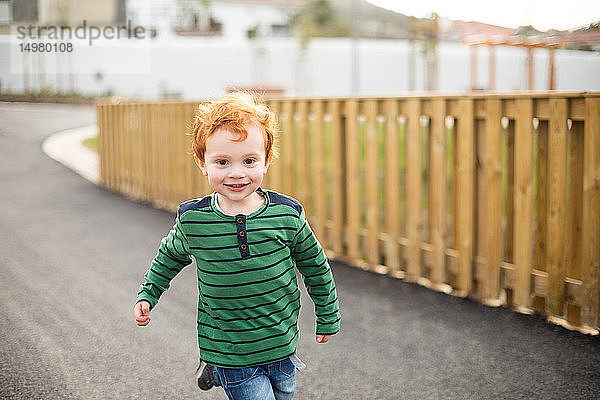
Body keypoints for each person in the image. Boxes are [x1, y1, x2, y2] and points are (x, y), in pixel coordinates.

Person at [133, 91, 341, 400]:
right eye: (222, 161)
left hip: (281, 343)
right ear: (202, 162)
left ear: (267, 160)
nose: (236, 173)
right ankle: (217, 366)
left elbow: (315, 266)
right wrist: (148, 294)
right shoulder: (194, 220)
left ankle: (213, 370)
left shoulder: (286, 214)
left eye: (249, 160)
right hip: (231, 351)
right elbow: (169, 257)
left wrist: (327, 314)